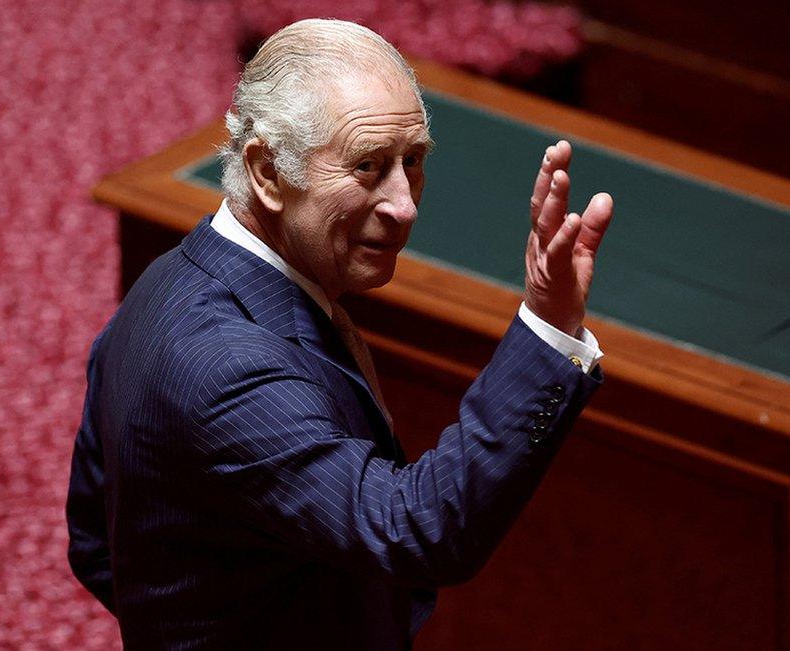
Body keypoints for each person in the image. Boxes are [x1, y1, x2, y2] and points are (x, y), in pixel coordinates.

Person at [66, 18, 613, 650]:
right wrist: (548, 326)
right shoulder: (226, 368)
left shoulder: (168, 282)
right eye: (370, 167)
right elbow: (419, 528)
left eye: (413, 162)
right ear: (268, 172)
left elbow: (95, 539)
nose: (404, 204)